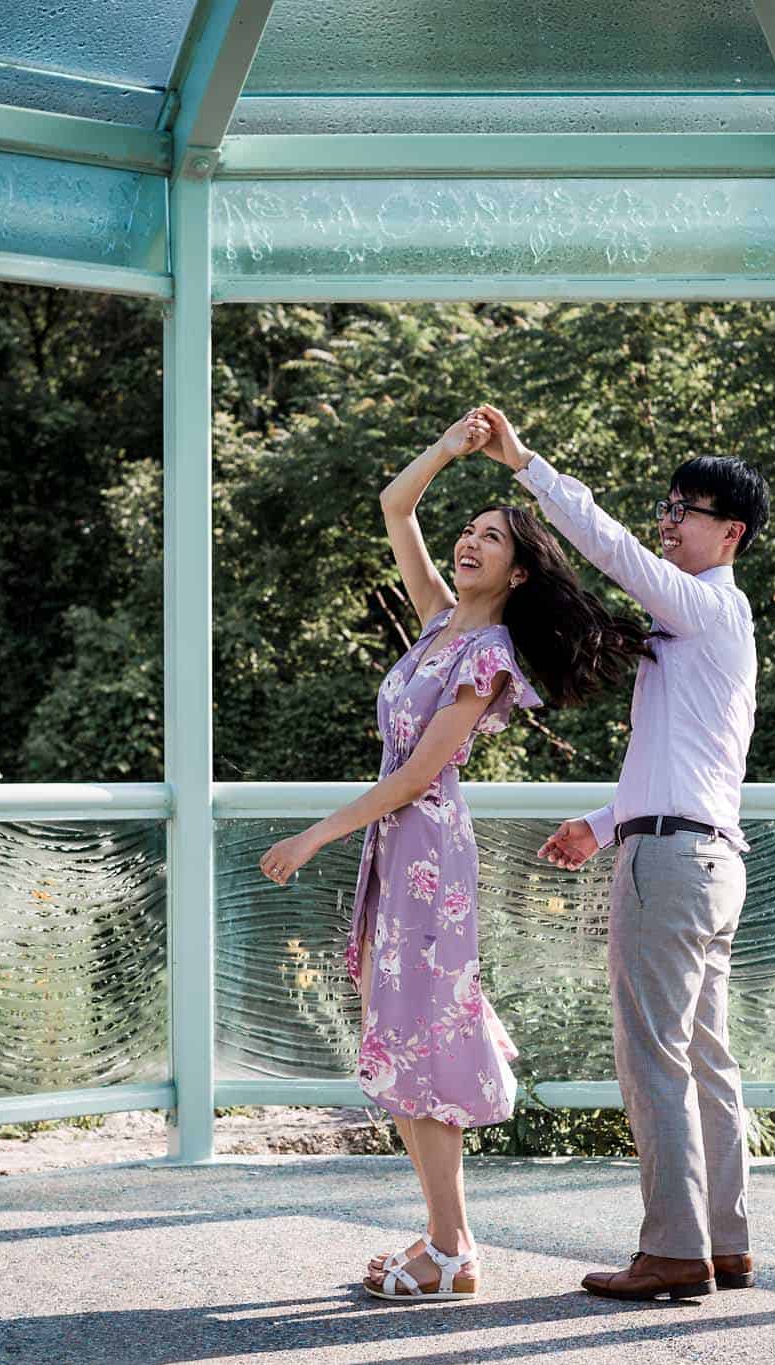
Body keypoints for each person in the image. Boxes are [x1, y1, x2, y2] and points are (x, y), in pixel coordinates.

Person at [257, 410, 650, 1302]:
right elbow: (395, 508)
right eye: (468, 532)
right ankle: (447, 1241)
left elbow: (421, 774)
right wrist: (446, 448)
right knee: (405, 1040)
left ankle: (450, 1248)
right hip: (404, 851)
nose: (470, 543)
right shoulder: (437, 620)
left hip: (428, 848)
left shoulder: (489, 652)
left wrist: (317, 832)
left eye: (491, 537)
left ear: (519, 570)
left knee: (421, 1042)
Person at [473, 403, 770, 1303]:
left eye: (689, 508)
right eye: (669, 503)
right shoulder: (712, 627)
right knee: (708, 1059)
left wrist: (526, 463)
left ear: (733, 531)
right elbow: (688, 765)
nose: (669, 519)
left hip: (674, 867)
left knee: (654, 1058)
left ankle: (673, 1251)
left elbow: (608, 549)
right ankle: (723, 1242)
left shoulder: (706, 604)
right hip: (707, 857)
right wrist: (604, 824)